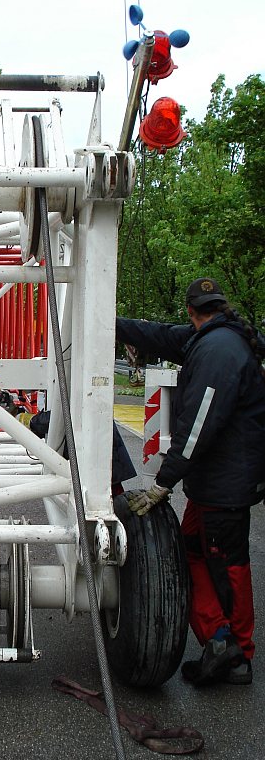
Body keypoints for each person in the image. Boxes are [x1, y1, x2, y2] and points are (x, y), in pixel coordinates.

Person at [116, 278, 265, 686]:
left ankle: (236, 653)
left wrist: (163, 482)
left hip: (224, 485)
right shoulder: (216, 338)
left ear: (191, 310)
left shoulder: (216, 351)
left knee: (227, 563)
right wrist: (111, 324)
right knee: (191, 553)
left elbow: (199, 425)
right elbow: (158, 335)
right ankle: (219, 638)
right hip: (219, 482)